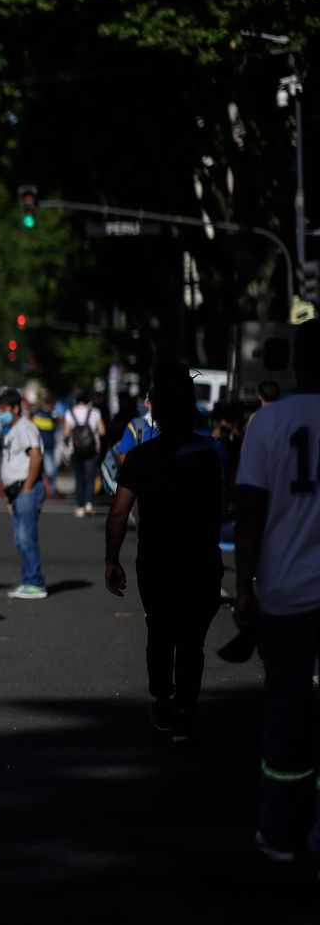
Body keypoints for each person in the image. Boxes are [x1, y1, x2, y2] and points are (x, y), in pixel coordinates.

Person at [233, 322, 320, 865]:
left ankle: (281, 827)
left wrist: (243, 586)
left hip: (287, 594)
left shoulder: (269, 424)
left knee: (286, 712)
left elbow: (248, 513)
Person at [104, 364, 225, 741]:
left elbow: (120, 511)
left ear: (155, 412)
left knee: (159, 631)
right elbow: (237, 500)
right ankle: (186, 705)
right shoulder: (213, 453)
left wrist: (112, 558)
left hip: (156, 560)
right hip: (202, 559)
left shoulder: (141, 458)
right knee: (192, 640)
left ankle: (162, 697)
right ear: (193, 410)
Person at [0, 388, 47, 600]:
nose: (1, 413)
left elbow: (35, 455)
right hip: (16, 492)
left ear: (16, 408)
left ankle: (35, 582)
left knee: (27, 537)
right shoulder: (11, 430)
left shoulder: (24, 427)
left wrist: (27, 487)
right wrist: (10, 496)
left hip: (26, 489)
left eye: (4, 409)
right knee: (20, 538)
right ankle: (28, 580)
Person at [66, 390, 105, 516]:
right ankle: (89, 503)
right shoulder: (95, 412)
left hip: (75, 450)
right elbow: (102, 431)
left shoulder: (70, 413)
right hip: (92, 450)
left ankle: (80, 506)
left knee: (79, 478)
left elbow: (66, 433)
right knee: (90, 478)